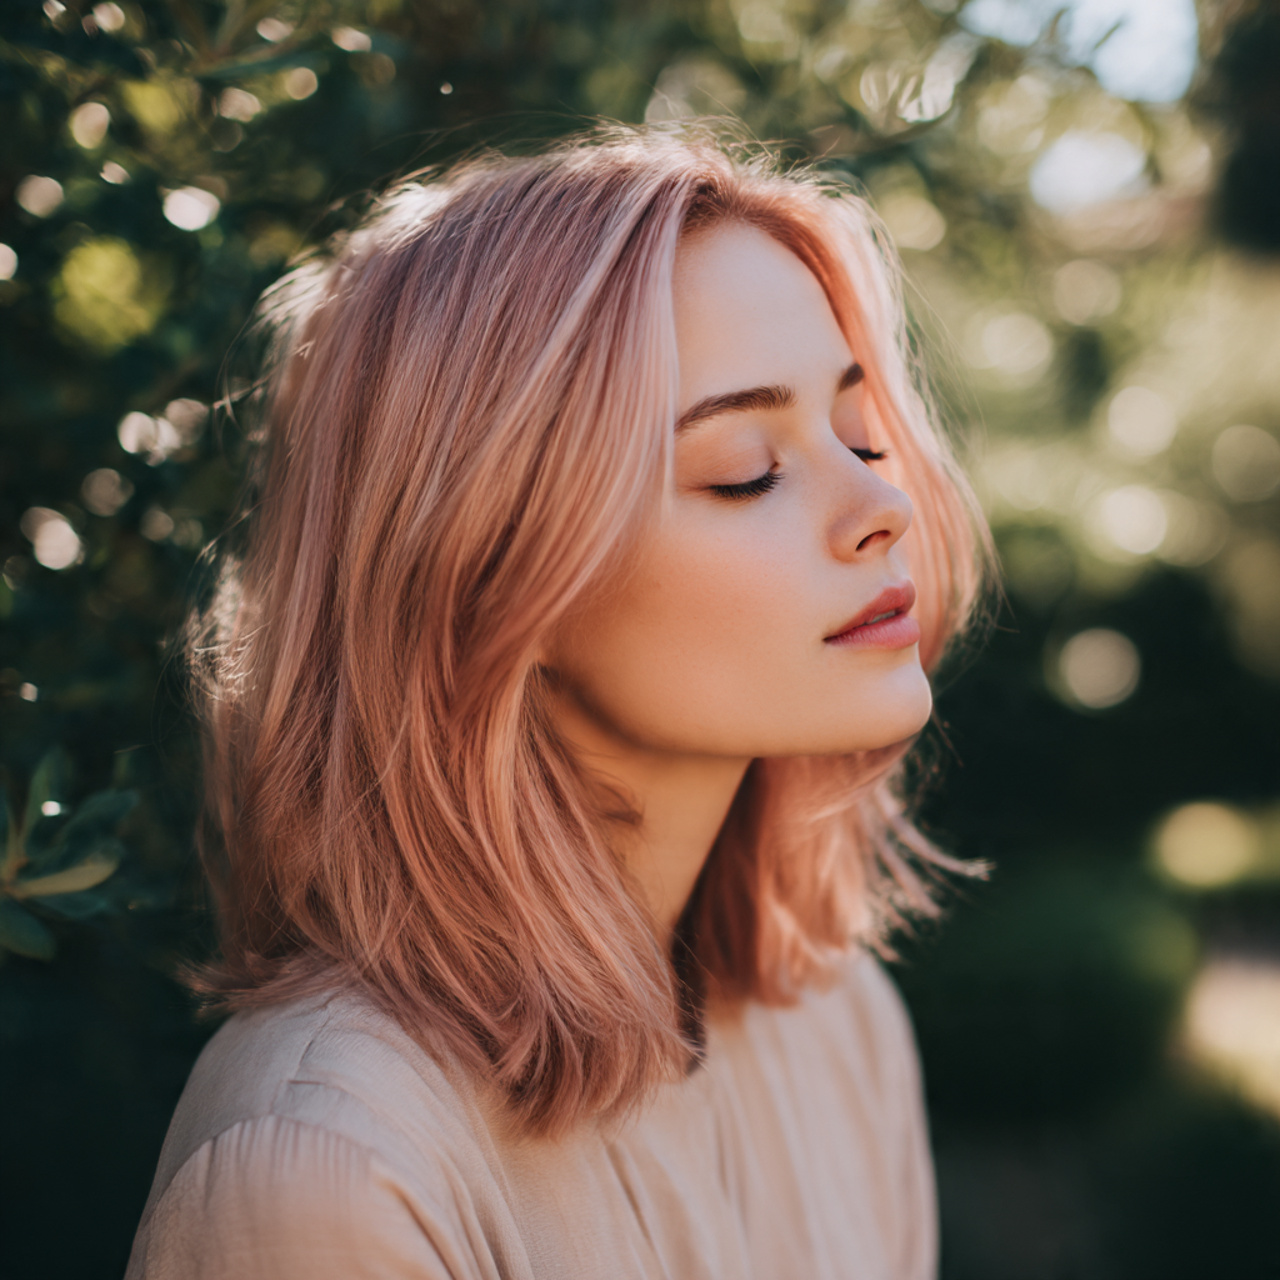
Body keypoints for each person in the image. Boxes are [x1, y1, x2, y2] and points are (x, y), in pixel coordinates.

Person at [126, 124, 987, 1280]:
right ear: (488, 579)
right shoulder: (324, 1170)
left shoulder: (836, 1022)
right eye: (745, 468)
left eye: (860, 431)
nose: (878, 505)